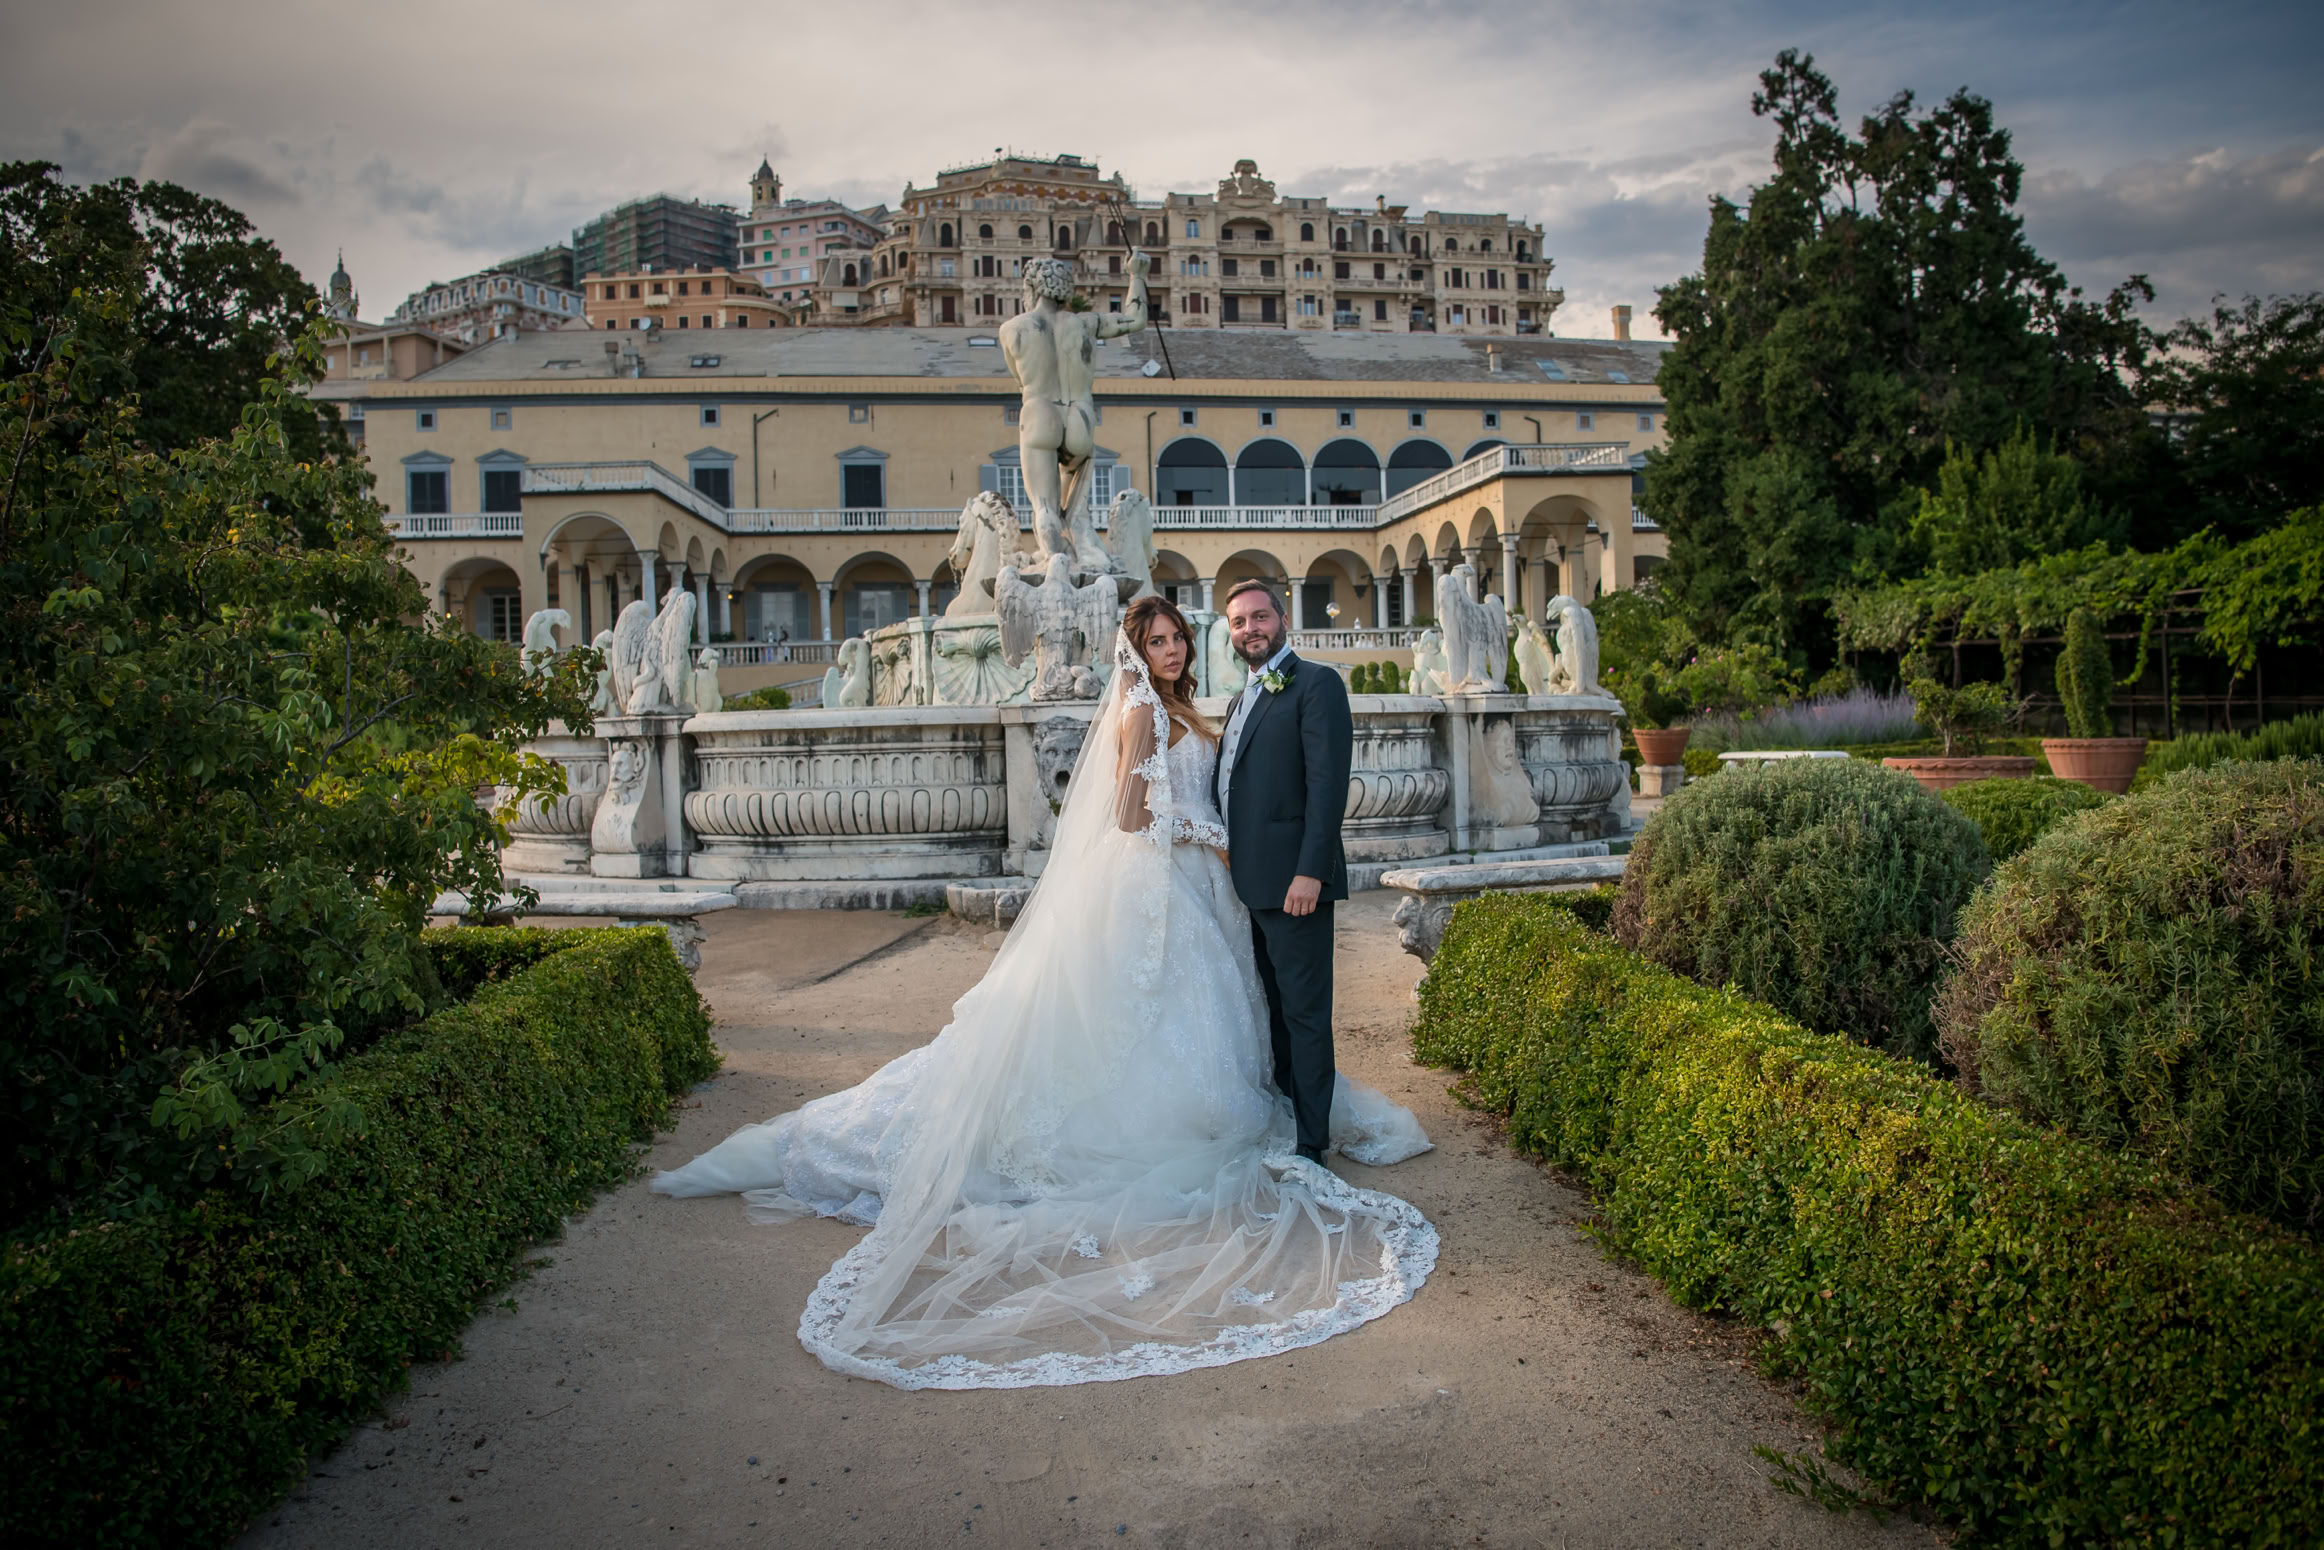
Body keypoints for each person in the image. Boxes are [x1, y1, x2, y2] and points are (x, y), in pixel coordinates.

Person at [652, 594, 1435, 1391]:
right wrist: (1213, 839)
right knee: (1147, 1018)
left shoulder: (1205, 703)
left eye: (1179, 638)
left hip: (1213, 891)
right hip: (1169, 882)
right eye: (1158, 641)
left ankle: (1290, 1123)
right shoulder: (1139, 709)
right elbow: (1133, 815)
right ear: (1137, 651)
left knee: (1241, 1012)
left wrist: (1231, 846)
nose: (1173, 650)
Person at [1213, 579, 1352, 1164]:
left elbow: (1327, 786)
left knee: (1304, 1012)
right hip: (1247, 886)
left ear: (1284, 618)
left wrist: (1310, 872)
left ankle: (1313, 1143)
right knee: (1270, 1008)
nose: (1251, 629)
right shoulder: (1239, 698)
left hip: (1295, 885)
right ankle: (1290, 1113)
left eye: (1260, 617)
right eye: (1240, 622)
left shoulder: (1316, 684)